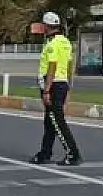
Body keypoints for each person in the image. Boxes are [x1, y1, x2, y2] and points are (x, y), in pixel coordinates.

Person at [30, 11, 82, 166]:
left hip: (52, 85)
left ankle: (73, 153)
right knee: (50, 121)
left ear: (47, 26)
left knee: (57, 121)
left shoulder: (52, 44)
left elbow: (52, 66)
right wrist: (69, 89)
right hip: (62, 83)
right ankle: (45, 153)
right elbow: (69, 66)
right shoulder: (65, 42)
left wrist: (46, 90)